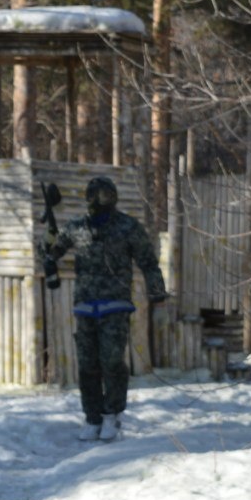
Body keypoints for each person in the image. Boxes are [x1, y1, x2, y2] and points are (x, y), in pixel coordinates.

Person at [40, 175, 168, 442]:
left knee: (112, 362)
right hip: (86, 306)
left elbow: (147, 261)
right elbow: (51, 253)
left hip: (115, 305)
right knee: (87, 365)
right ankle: (92, 417)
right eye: (95, 196)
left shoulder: (127, 227)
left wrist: (156, 291)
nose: (99, 201)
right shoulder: (77, 228)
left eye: (104, 196)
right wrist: (48, 238)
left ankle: (112, 414)